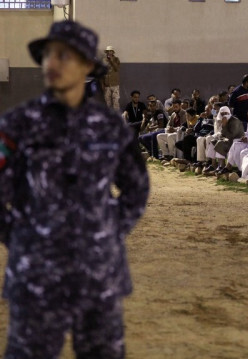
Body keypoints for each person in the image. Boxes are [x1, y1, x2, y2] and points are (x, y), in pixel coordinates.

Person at [0, 20, 149, 358]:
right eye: (48, 55)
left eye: (64, 56)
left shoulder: (110, 127)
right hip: (36, 275)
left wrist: (109, 229)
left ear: (86, 66)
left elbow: (136, 186)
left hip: (98, 276)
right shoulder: (17, 124)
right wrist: (21, 236)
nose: (52, 63)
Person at [101, 45, 120, 110]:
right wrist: (102, 84)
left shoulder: (116, 59)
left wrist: (111, 60)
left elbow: (116, 69)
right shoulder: (103, 61)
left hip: (115, 85)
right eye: (108, 51)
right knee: (107, 103)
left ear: (113, 52)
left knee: (116, 102)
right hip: (107, 85)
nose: (109, 52)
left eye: (110, 51)